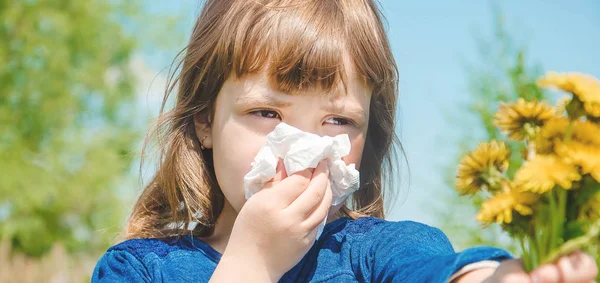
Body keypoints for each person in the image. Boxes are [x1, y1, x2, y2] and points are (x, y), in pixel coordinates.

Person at [92, 0, 598, 282]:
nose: (303, 144)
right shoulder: (139, 268)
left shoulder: (377, 253)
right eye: (266, 112)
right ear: (205, 121)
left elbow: (437, 274)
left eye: (338, 121)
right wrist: (252, 263)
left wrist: (498, 279)